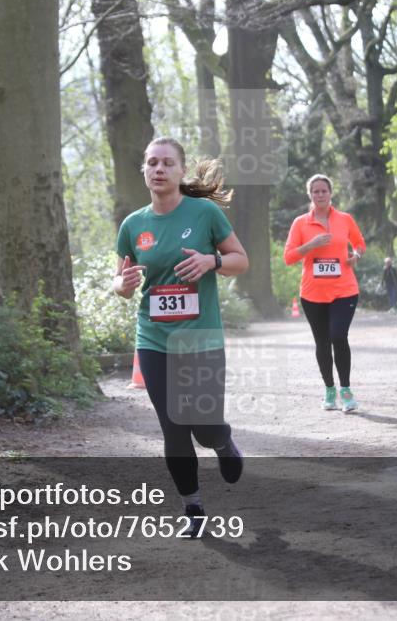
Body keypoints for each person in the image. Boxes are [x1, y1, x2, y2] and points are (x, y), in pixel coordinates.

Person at [113, 137, 249, 537]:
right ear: (144, 171)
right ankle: (192, 508)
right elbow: (121, 281)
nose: (159, 169)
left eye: (167, 163)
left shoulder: (204, 213)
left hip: (201, 338)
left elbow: (241, 260)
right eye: (152, 162)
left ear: (180, 171)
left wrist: (212, 261)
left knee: (202, 426)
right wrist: (122, 284)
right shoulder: (133, 225)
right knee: (173, 424)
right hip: (154, 340)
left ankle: (221, 441)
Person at [283, 174, 366, 412]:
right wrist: (311, 245)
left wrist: (356, 256)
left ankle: (346, 391)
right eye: (315, 191)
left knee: (338, 336)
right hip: (312, 293)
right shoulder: (301, 223)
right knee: (322, 341)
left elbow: (359, 243)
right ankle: (329, 389)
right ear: (310, 195)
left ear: (331, 193)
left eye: (324, 191)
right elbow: (288, 257)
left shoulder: (345, 219)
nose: (320, 195)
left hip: (344, 289)